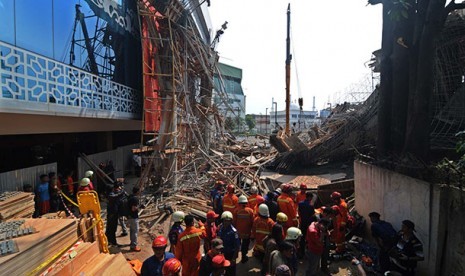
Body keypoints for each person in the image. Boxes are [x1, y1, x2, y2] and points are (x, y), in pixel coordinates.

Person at [217, 211, 240, 276]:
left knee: (231, 271)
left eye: (228, 221)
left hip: (230, 254)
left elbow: (237, 247)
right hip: (222, 253)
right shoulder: (221, 228)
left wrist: (233, 259)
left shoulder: (234, 232)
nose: (226, 222)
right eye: (225, 220)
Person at [234, 195, 254, 263]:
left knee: (237, 244)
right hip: (247, 232)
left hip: (238, 232)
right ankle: (243, 257)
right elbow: (252, 222)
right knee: (245, 245)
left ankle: (235, 256)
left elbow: (234, 222)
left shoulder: (236, 210)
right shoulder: (250, 211)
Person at [298, 192, 317, 258]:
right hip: (309, 224)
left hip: (302, 222)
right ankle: (308, 252)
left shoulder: (300, 203)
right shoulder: (311, 205)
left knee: (302, 238)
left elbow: (299, 212)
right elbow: (313, 214)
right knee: (309, 238)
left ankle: (302, 252)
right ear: (310, 197)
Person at [128, 186, 142, 251]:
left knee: (132, 230)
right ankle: (133, 246)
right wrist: (139, 207)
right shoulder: (135, 199)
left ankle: (132, 243)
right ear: (137, 192)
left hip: (129, 216)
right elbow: (133, 209)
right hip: (133, 217)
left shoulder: (130, 196)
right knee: (135, 231)